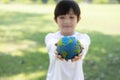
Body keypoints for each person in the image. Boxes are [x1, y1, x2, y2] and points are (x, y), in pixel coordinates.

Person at [45, 0, 90, 80]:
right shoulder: (51, 37)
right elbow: (51, 45)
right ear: (56, 19)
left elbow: (84, 45)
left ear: (78, 19)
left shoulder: (83, 38)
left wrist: (80, 50)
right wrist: (56, 50)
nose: (67, 21)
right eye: (62, 17)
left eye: (71, 17)